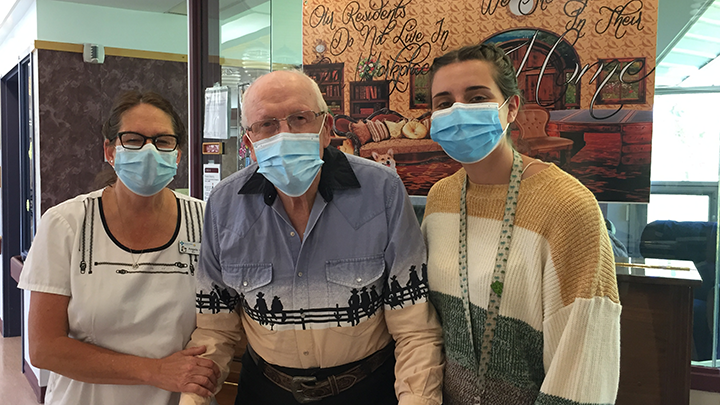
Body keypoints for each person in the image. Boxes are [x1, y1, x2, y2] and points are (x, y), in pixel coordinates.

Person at [180, 70, 444, 405]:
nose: (285, 133)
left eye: (300, 118)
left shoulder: (383, 192)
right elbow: (215, 329)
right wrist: (193, 399)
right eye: (267, 125)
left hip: (369, 390)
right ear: (249, 143)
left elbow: (414, 327)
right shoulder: (224, 206)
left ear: (326, 129)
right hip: (265, 391)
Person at [421, 44, 621, 404]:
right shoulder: (440, 199)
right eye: (444, 103)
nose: (458, 111)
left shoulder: (567, 206)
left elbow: (584, 360)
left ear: (511, 107)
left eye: (477, 97)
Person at [18, 90, 219, 405]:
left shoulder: (206, 221)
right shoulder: (67, 224)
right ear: (109, 151)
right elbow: (45, 348)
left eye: (163, 141)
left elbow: (221, 323)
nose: (149, 151)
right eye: (134, 140)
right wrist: (154, 371)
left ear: (178, 154)